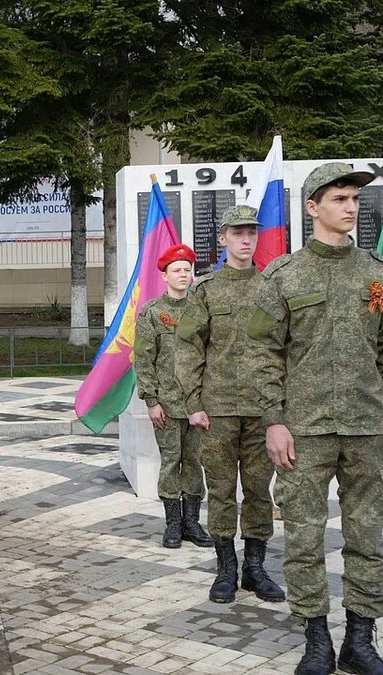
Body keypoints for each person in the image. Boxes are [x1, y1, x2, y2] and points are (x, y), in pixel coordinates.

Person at [247, 163, 383, 675]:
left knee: (367, 539)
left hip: (366, 428)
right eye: (339, 198)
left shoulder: (375, 273)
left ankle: (359, 642)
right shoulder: (283, 276)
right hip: (305, 432)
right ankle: (316, 641)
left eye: (355, 200)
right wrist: (274, 421)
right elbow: (262, 355)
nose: (350, 207)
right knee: (303, 539)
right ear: (312, 207)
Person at [176, 204, 284, 605]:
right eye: (237, 232)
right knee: (221, 490)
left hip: (263, 410)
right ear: (222, 238)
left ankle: (255, 568)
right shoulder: (205, 290)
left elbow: (286, 346)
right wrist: (192, 403)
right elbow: (188, 350)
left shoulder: (272, 287)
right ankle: (226, 569)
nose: (245, 239)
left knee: (259, 490)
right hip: (217, 410)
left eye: (251, 233)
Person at [133, 243, 211, 550]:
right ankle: (173, 524)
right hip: (166, 403)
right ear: (164, 275)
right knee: (170, 462)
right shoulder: (152, 313)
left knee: (194, 461)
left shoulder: (201, 310)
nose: (183, 274)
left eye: (187, 270)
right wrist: (151, 401)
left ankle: (192, 522)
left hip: (197, 404)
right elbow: (143, 358)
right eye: (176, 270)